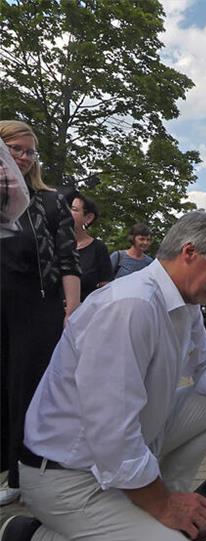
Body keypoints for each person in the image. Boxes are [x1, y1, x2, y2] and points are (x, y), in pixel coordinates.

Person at [0, 212, 206, 541]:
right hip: (69, 478)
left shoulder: (182, 301)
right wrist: (164, 506)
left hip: (117, 455)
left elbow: (205, 364)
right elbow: (112, 438)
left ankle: (155, 512)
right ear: (190, 252)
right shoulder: (130, 307)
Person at [0, 121, 81, 507]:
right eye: (16, 148)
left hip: (37, 307)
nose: (24, 157)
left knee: (29, 390)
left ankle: (26, 473)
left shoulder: (51, 201)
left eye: (30, 151)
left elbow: (68, 261)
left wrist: (73, 312)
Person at [70, 193, 113, 301]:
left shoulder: (98, 248)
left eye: (74, 209)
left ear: (88, 218)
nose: (66, 212)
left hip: (83, 312)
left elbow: (106, 287)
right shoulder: (52, 243)